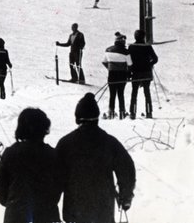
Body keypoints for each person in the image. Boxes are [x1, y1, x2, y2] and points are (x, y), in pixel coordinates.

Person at [56, 93, 136, 223]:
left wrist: (52, 201)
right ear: (97, 118)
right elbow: (127, 168)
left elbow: (54, 176)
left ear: (78, 119)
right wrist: (125, 197)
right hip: (103, 210)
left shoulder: (66, 144)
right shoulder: (109, 142)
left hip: (75, 211)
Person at [0, 108, 62, 223]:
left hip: (15, 215)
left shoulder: (10, 153)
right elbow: (58, 186)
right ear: (44, 129)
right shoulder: (53, 154)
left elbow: (0, 185)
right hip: (47, 215)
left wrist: (12, 202)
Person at [128, 29, 157, 119]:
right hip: (146, 72)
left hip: (136, 72)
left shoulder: (131, 47)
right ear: (143, 37)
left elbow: (129, 61)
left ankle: (132, 113)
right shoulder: (147, 46)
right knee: (147, 92)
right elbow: (155, 59)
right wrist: (149, 64)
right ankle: (149, 112)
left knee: (134, 93)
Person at [102, 32, 132, 119]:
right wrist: (128, 74)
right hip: (122, 75)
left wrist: (110, 68)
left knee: (112, 94)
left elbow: (104, 61)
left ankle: (111, 112)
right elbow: (130, 65)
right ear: (122, 41)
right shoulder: (126, 52)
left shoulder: (108, 50)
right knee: (120, 94)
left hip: (111, 75)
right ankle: (122, 113)